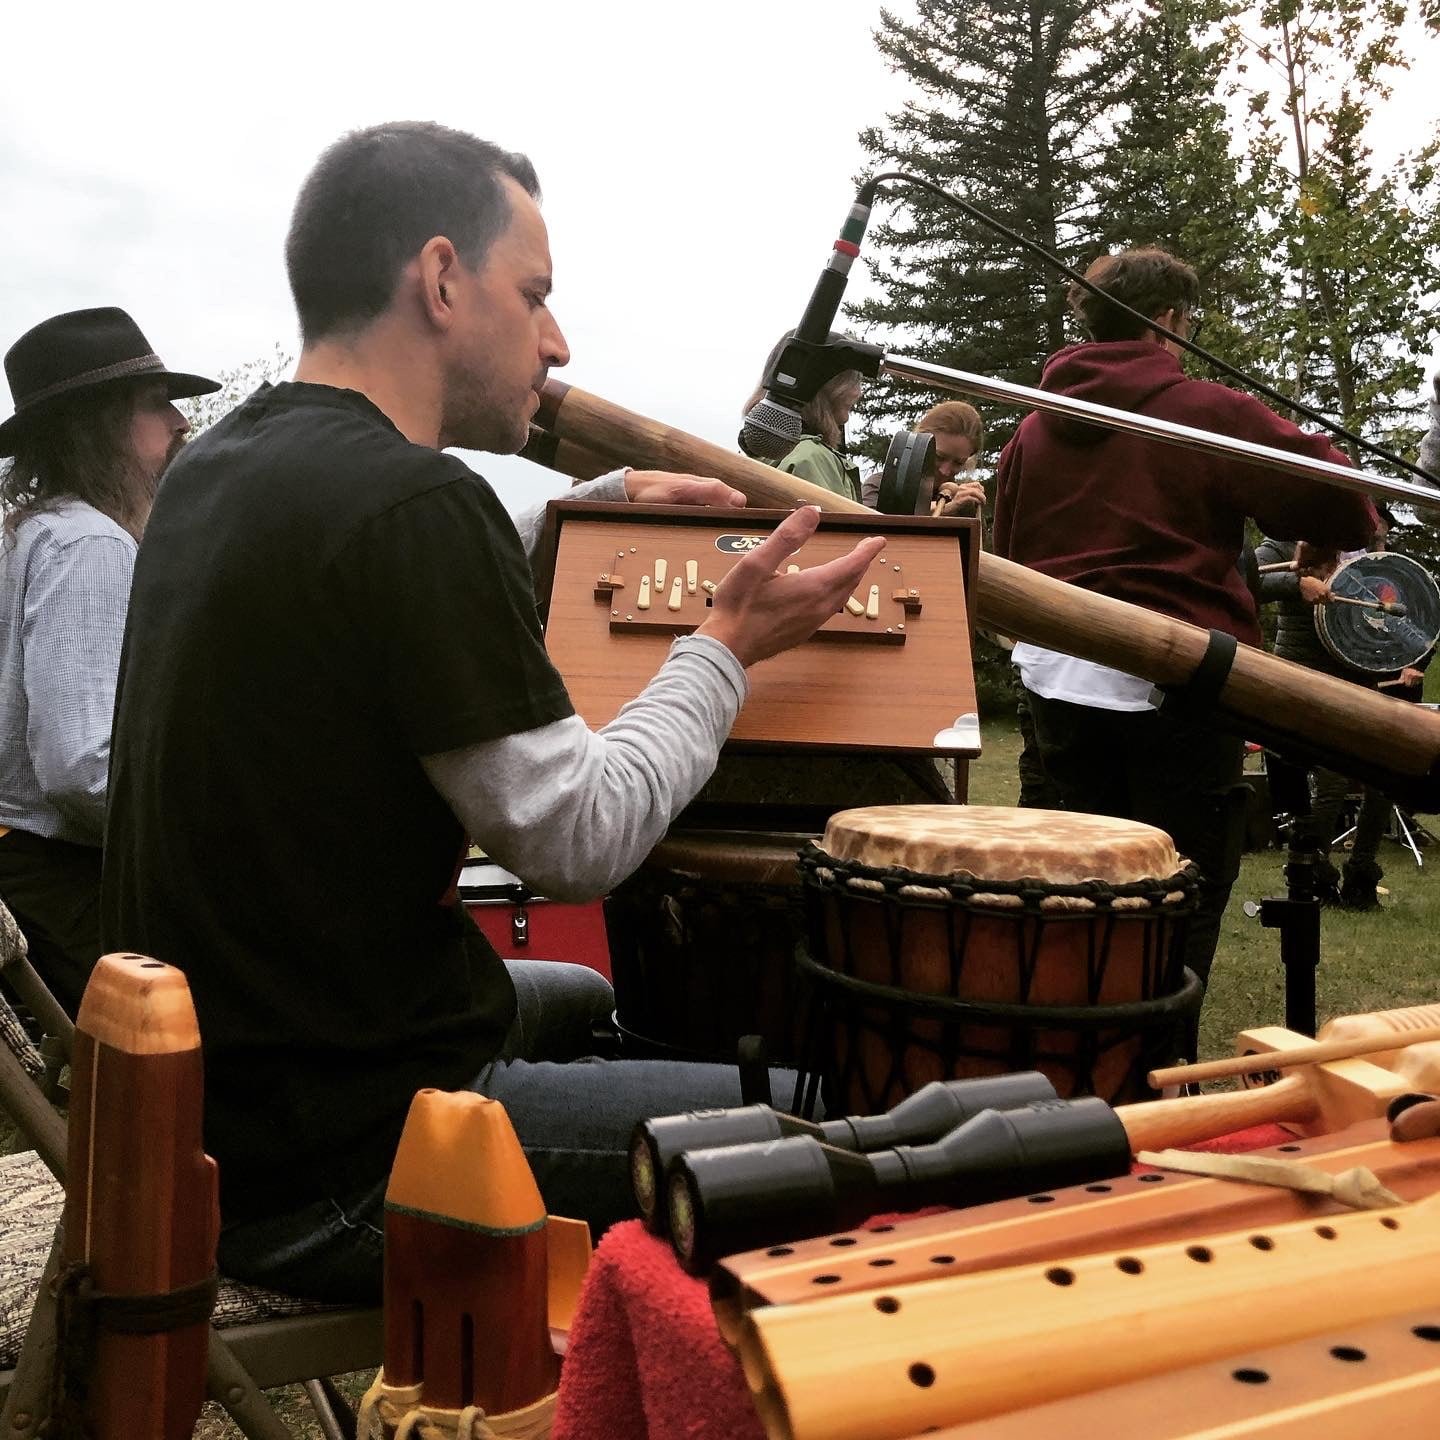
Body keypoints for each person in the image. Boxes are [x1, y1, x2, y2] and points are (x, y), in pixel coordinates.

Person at [99, 121, 884, 1304]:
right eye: (537, 296)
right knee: (849, 1126)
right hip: (340, 1162)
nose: (558, 344)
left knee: (586, 996)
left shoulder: (226, 464)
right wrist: (726, 646)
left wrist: (589, 512)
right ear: (442, 280)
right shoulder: (414, 502)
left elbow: (366, 602)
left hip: (234, 1099)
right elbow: (579, 840)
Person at [992, 246, 1377, 995]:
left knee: (1077, 888)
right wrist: (1333, 526)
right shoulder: (1204, 414)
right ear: (1168, 320)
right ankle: (1153, 1072)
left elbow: (1010, 553)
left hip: (1056, 685)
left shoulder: (1034, 430)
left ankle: (1073, 1064)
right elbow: (1336, 493)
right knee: (1178, 894)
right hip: (1178, 684)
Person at [0, 308, 217, 1013]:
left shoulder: (33, 533)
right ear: (101, 422)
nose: (181, 421)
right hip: (57, 884)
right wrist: (214, 822)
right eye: (156, 403)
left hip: (27, 878)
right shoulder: (88, 544)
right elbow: (81, 767)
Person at [1256, 516, 1427, 911]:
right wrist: (1297, 584)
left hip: (1359, 679)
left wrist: (1410, 658)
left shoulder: (1366, 560)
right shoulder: (1283, 545)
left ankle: (1361, 872)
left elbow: (1389, 614)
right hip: (1305, 680)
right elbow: (1249, 579)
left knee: (1383, 778)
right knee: (1329, 784)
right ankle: (1312, 869)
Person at [745, 329, 865, 501]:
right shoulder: (810, 459)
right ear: (832, 388)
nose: (858, 392)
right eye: (854, 381)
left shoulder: (761, 456)